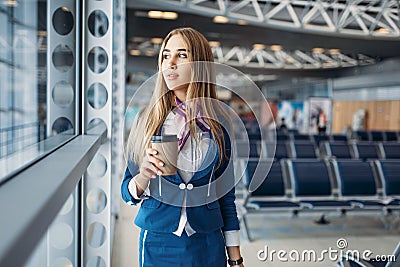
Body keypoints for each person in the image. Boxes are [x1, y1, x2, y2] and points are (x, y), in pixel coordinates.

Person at [121, 28, 244, 267]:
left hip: (208, 242)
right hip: (158, 241)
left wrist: (236, 258)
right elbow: (127, 194)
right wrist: (144, 175)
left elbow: (226, 197)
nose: (171, 63)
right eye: (166, 56)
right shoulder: (146, 120)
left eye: (182, 55)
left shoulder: (220, 123)